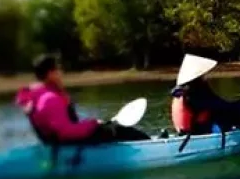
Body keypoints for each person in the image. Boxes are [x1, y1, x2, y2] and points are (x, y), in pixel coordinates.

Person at [15, 54, 149, 144]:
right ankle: (151, 146)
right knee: (118, 129)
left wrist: (92, 124)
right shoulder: (49, 99)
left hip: (59, 142)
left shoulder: (38, 96)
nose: (61, 73)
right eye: (58, 69)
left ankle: (149, 142)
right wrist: (93, 124)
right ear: (50, 73)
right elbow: (65, 132)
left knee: (109, 127)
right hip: (67, 143)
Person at [171, 76, 240, 136]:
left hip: (190, 132)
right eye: (202, 76)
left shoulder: (184, 93)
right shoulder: (195, 95)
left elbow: (219, 105)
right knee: (238, 112)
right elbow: (226, 107)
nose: (205, 77)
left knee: (230, 111)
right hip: (200, 131)